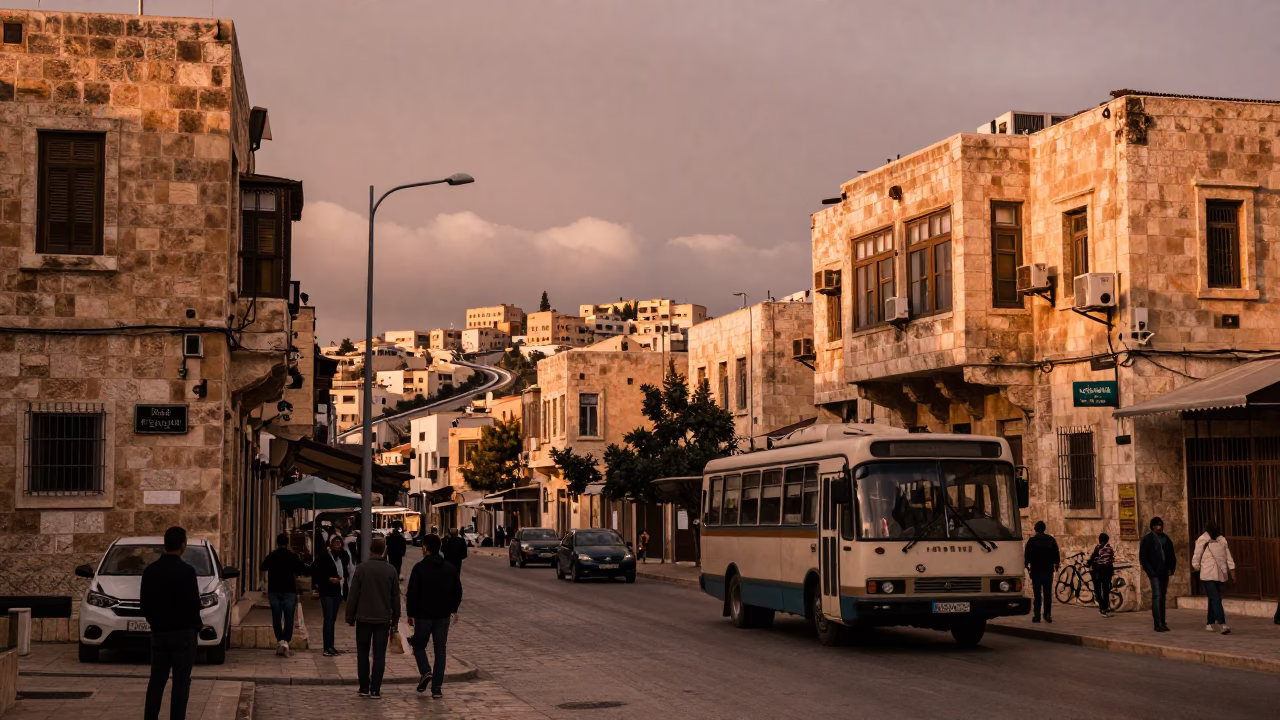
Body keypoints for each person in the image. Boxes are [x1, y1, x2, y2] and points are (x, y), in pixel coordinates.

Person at [141, 526, 202, 720]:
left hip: (159, 634)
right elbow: (194, 604)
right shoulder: (187, 571)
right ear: (183, 545)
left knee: (156, 682)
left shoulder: (150, 571)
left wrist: (155, 623)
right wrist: (195, 628)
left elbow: (145, 604)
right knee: (181, 683)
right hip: (183, 635)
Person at [406, 534, 463, 699]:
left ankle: (425, 671)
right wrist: (452, 608)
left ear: (425, 548)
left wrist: (411, 613)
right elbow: (457, 591)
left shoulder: (419, 568)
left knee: (418, 645)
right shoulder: (450, 568)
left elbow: (412, 592)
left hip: (423, 615)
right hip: (443, 615)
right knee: (440, 651)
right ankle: (437, 688)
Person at [345, 536, 400, 699]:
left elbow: (353, 594)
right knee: (379, 655)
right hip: (383, 618)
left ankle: (363, 687)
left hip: (363, 617)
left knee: (362, 653)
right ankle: (375, 689)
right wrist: (395, 619)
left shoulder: (362, 569)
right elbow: (395, 598)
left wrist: (350, 615)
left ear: (370, 550)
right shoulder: (391, 570)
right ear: (385, 550)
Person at [261, 532, 309, 657]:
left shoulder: (272, 555)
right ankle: (286, 641)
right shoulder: (292, 556)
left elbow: (262, 567)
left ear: (277, 542)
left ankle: (280, 640)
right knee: (289, 617)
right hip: (289, 590)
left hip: (274, 590)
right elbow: (302, 569)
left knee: (276, 617)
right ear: (287, 543)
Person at [1192, 520, 1236, 634]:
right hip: (1207, 574)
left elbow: (1228, 556)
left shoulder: (1222, 540)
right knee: (1216, 598)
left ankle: (1209, 623)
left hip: (1220, 574)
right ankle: (1222, 623)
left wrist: (1232, 570)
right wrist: (1196, 566)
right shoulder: (1202, 539)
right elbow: (1197, 555)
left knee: (1213, 598)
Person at [311, 534, 350, 656]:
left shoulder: (341, 558)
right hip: (327, 592)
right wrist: (328, 579)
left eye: (340, 543)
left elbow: (346, 571)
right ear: (330, 545)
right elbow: (314, 571)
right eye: (336, 542)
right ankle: (327, 647)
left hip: (338, 593)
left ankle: (331, 646)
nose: (338, 544)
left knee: (332, 620)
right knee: (328, 620)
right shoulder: (324, 558)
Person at [1139, 516, 1177, 632]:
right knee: (1157, 596)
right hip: (1154, 572)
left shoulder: (1165, 539)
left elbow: (1171, 554)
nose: (1160, 527)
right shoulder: (1148, 540)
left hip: (1164, 571)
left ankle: (1162, 621)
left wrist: (1172, 567)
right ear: (1153, 527)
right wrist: (1150, 571)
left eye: (1161, 525)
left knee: (1162, 597)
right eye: (1157, 525)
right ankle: (1157, 623)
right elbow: (1143, 558)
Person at [1023, 520, 1060, 623]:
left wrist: (1027, 566)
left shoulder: (1032, 541)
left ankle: (1037, 615)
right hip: (1048, 570)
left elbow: (1027, 555)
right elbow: (1056, 554)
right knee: (1047, 594)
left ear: (1035, 529)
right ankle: (1047, 614)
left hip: (1036, 571)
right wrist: (1056, 564)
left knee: (1037, 594)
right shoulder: (1051, 540)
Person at [1087, 532, 1116, 618]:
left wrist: (1088, 564)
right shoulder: (1110, 549)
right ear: (1107, 540)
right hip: (1106, 571)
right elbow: (1111, 559)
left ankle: (1102, 607)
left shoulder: (1097, 548)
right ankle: (1105, 608)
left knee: (1098, 590)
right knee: (1106, 590)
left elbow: (1093, 559)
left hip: (1097, 572)